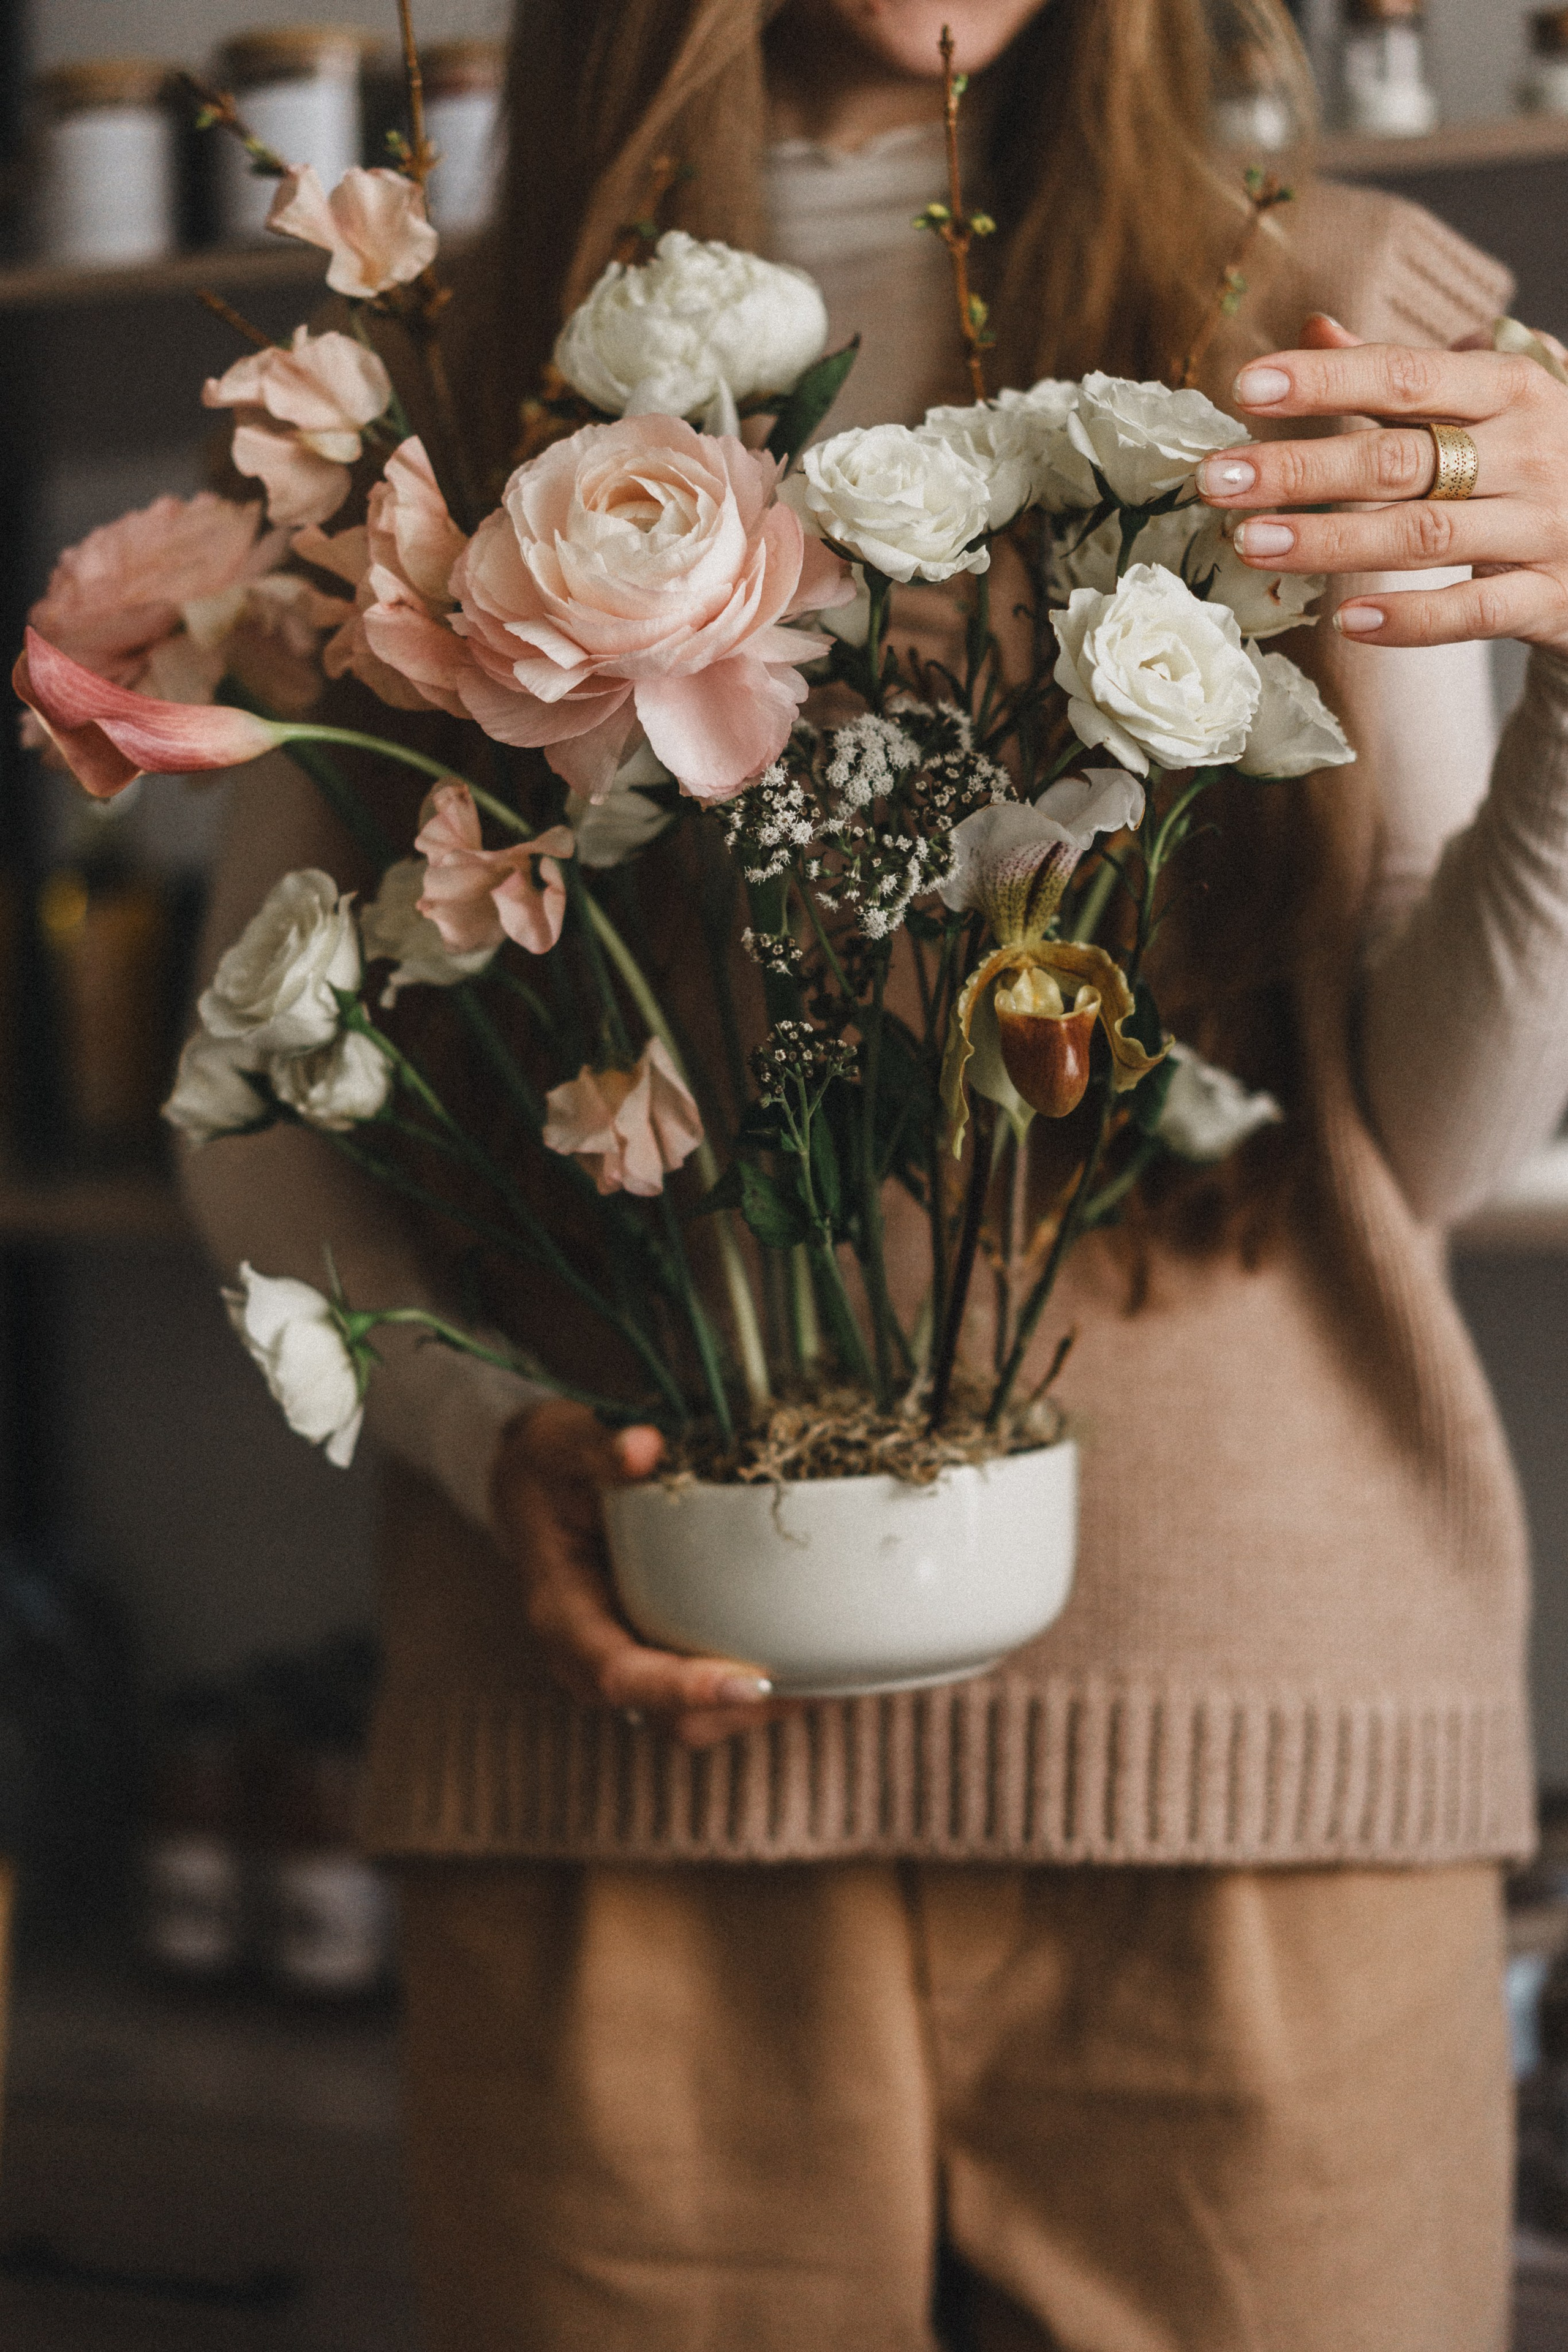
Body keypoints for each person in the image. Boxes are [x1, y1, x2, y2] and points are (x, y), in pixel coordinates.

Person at [182, 2, 1568, 2344]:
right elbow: (258, 1091)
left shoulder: (1315, 308)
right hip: (623, 1773)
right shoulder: (420, 371)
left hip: (1256, 1787)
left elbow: (1419, 1148)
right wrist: (482, 1435)